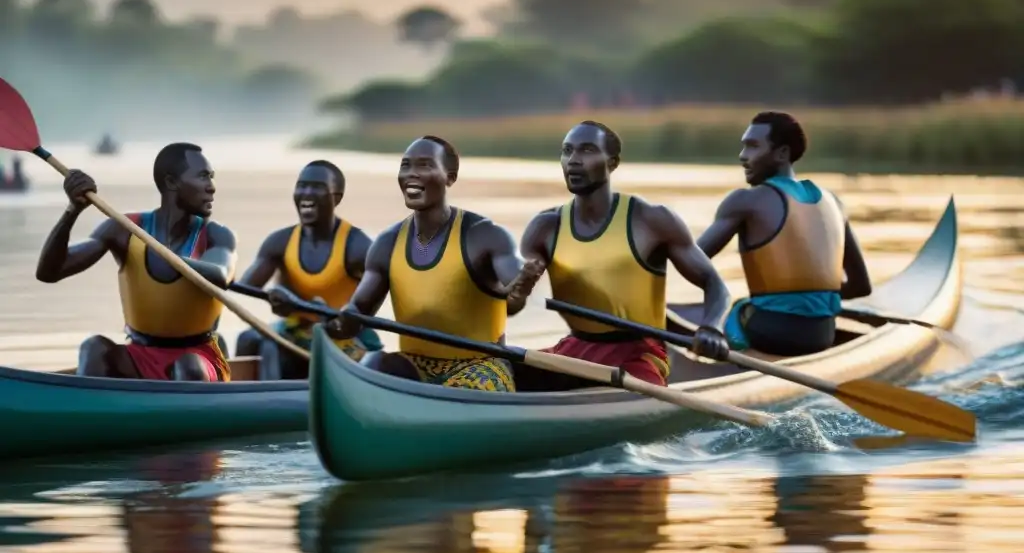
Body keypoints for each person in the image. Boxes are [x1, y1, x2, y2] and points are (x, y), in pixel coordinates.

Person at [314, 136, 544, 392]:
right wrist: (331, 320)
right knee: (375, 362)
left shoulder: (484, 235)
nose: (412, 174)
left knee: (470, 385)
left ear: (450, 177)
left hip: (479, 365)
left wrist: (520, 287)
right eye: (405, 166)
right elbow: (357, 314)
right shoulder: (387, 243)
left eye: (424, 166)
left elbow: (512, 298)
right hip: (414, 366)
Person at [515, 120, 733, 384]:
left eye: (586, 151)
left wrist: (711, 327)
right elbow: (510, 304)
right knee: (501, 368)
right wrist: (518, 289)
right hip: (576, 350)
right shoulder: (545, 226)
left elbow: (715, 284)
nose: (573, 160)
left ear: (613, 163)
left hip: (638, 356)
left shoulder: (651, 220)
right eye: (567, 151)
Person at [35, 142, 238, 381]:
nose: (212, 188)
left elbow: (220, 274)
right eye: (203, 177)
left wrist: (171, 259)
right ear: (172, 183)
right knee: (93, 349)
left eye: (212, 178)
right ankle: (92, 415)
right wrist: (72, 211)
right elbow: (49, 272)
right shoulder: (124, 229)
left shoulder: (217, 235)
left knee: (187, 366)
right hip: (140, 354)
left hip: (199, 359)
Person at [696, 111, 872, 356]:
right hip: (822, 334)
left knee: (735, 309)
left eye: (753, 146)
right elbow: (861, 287)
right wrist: (808, 297)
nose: (743, 156)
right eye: (744, 146)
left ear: (782, 154)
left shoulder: (746, 201)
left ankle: (738, 361)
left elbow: (692, 259)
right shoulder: (834, 203)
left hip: (772, 333)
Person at [233, 160, 382, 379]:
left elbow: (367, 309)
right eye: (301, 186)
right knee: (248, 340)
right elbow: (245, 287)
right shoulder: (279, 242)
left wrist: (299, 304)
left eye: (318, 187)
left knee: (270, 347)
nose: (307, 194)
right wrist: (277, 301)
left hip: (342, 333)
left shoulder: (358, 247)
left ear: (337, 197)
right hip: (296, 329)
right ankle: (249, 404)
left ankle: (276, 403)